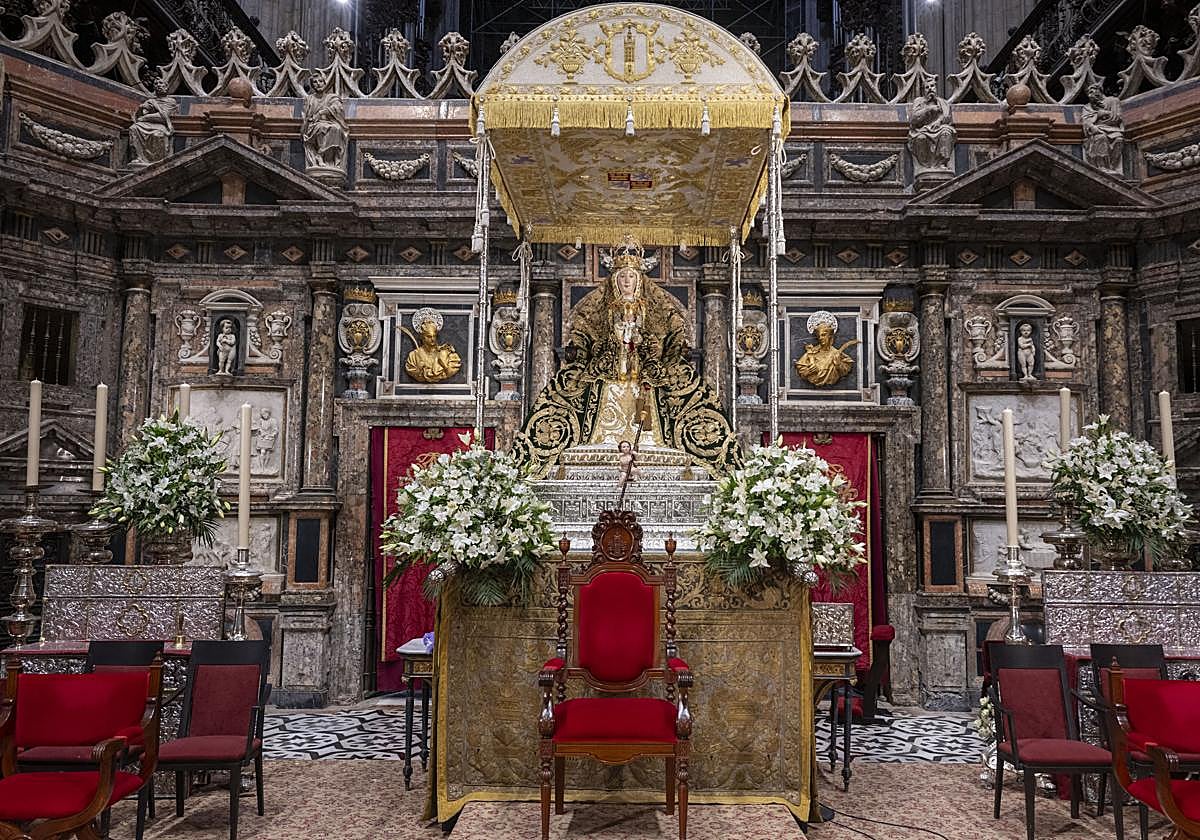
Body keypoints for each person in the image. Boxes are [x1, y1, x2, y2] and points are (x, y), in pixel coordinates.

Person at [794, 311, 858, 387]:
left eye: (824, 335)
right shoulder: (810, 353)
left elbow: (845, 370)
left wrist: (838, 364)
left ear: (830, 336)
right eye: (818, 336)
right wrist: (809, 371)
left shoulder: (837, 354)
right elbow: (801, 371)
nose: (820, 338)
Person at [302, 72, 349, 171]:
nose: (318, 84)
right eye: (315, 82)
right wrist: (313, 118)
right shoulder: (309, 99)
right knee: (322, 127)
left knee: (337, 128)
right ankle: (320, 156)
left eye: (320, 81)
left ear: (325, 83)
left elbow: (338, 107)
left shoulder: (332, 97)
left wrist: (323, 112)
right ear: (312, 85)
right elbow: (307, 116)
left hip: (330, 122)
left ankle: (323, 154)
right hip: (315, 125)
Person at [403, 308, 462, 382]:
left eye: (434, 336)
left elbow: (451, 371)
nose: (432, 339)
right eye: (429, 336)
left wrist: (444, 365)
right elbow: (413, 372)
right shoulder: (413, 356)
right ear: (422, 337)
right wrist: (418, 369)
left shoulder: (446, 352)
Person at [129, 76, 177, 167]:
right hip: (147, 123)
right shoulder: (151, 101)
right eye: (156, 84)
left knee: (158, 134)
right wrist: (141, 109)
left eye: (161, 83)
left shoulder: (170, 101)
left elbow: (163, 116)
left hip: (160, 125)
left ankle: (158, 160)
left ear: (166, 87)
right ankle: (138, 157)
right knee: (134, 128)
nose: (158, 85)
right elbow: (141, 113)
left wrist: (145, 118)